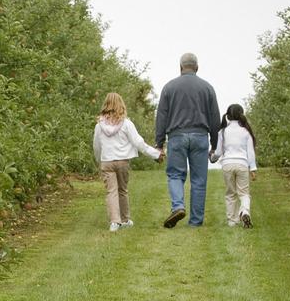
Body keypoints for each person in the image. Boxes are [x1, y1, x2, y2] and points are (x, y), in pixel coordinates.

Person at [154, 52, 221, 228]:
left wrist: (159, 143)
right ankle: (195, 221)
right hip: (200, 136)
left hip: (176, 136)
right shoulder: (207, 88)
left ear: (180, 67)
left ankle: (178, 206)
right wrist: (215, 145)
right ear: (197, 68)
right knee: (199, 179)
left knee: (175, 174)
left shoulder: (169, 87)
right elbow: (215, 118)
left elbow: (161, 116)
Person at [92, 92, 162, 232]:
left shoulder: (99, 125)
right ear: (121, 105)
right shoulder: (126, 124)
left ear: (105, 105)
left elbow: (96, 145)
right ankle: (125, 220)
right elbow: (138, 143)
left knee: (111, 191)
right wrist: (155, 154)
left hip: (107, 161)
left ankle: (114, 222)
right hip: (122, 162)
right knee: (122, 190)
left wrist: (99, 159)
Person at [211, 103, 258, 228]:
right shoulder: (246, 132)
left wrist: (212, 157)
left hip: (227, 164)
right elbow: (250, 151)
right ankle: (245, 211)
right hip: (242, 164)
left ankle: (232, 221)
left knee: (230, 193)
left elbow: (219, 152)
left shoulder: (223, 131)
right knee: (244, 193)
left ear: (228, 116)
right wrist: (253, 168)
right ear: (241, 114)